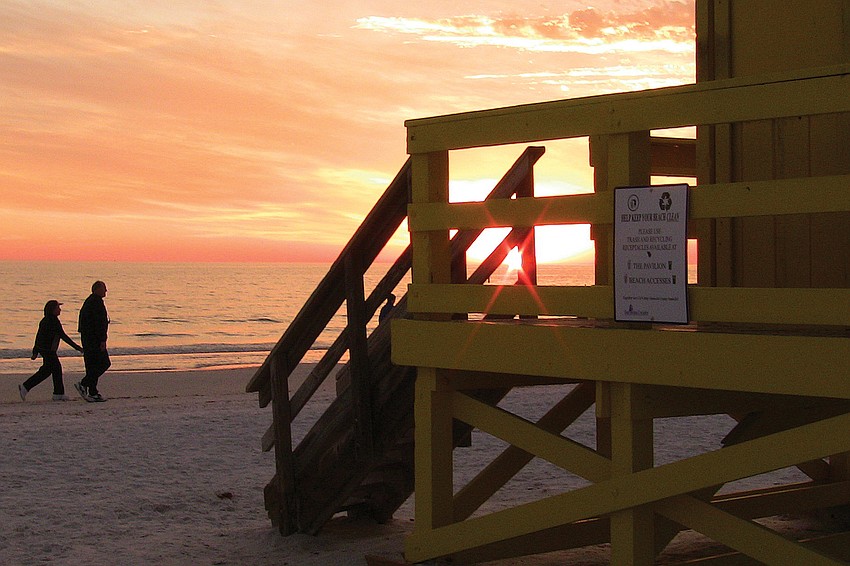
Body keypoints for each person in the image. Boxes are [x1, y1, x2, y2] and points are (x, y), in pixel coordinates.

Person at [19, 300, 83, 402]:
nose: (60, 309)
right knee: (55, 369)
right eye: (58, 308)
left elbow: (38, 336)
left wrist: (35, 351)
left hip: (44, 350)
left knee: (47, 371)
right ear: (53, 310)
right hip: (49, 351)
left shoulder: (45, 320)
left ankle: (27, 387)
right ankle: (57, 393)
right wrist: (78, 348)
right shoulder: (54, 321)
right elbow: (63, 336)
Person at [74, 280, 111, 402]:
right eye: (103, 288)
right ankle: (84, 384)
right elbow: (99, 323)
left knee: (92, 366)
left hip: (88, 338)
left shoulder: (90, 301)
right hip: (93, 339)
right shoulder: (95, 302)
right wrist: (102, 340)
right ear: (97, 289)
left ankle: (93, 392)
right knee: (104, 363)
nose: (106, 290)